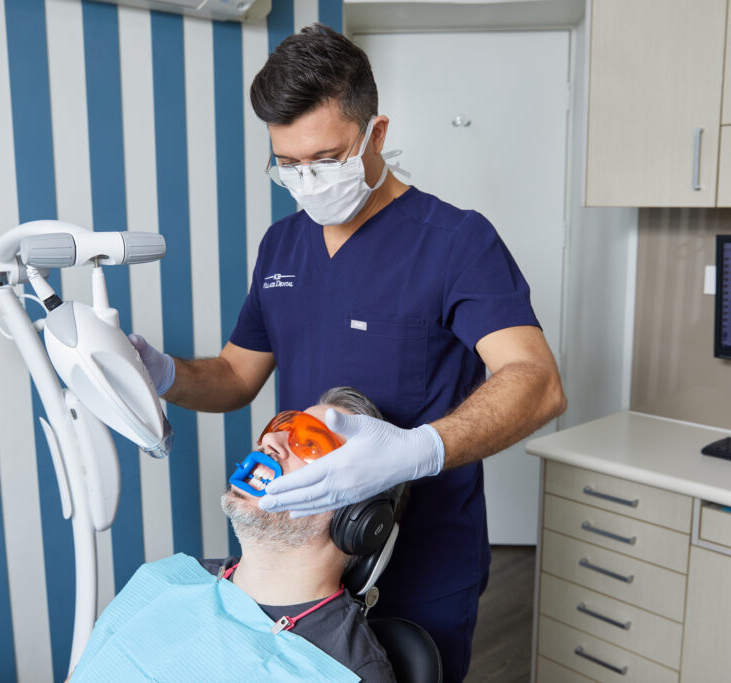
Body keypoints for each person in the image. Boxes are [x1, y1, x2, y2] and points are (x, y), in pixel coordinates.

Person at [130, 23, 567, 681]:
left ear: (376, 133)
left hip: (422, 555)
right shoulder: (282, 246)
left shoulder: (455, 242)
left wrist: (417, 448)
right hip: (300, 553)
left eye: (327, 158)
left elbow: (537, 381)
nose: (307, 179)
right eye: (289, 163)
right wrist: (158, 372)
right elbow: (232, 378)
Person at [70, 387, 398, 682]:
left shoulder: (348, 670)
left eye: (310, 443)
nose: (270, 442)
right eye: (280, 427)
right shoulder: (167, 578)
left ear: (356, 516)